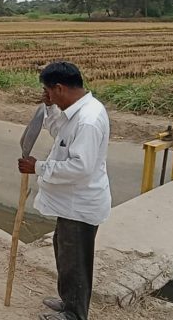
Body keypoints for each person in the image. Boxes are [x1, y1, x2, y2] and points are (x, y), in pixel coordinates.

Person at [17, 61, 111, 320]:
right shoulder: (74, 113)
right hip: (69, 203)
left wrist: (38, 167)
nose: (46, 95)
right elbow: (58, 130)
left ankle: (74, 314)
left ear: (59, 87)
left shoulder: (89, 120)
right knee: (65, 254)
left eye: (48, 91)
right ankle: (68, 301)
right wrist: (49, 106)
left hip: (80, 205)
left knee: (76, 262)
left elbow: (80, 167)